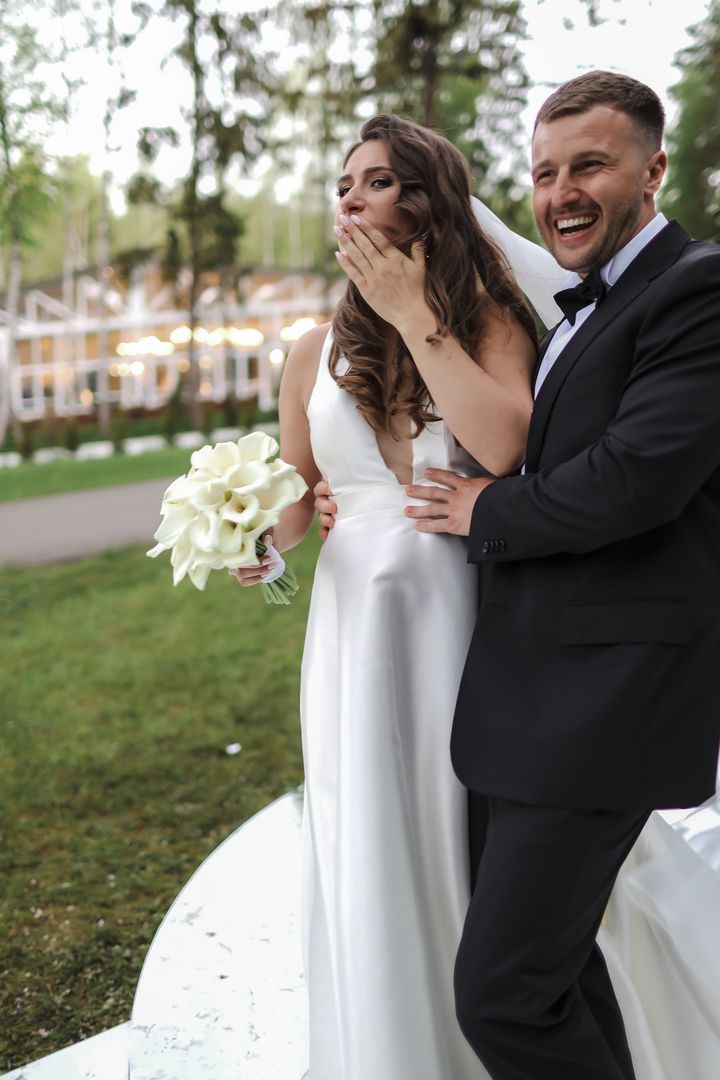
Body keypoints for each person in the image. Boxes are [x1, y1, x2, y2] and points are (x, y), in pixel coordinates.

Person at [320, 72, 719, 1080]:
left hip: (609, 696)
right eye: (545, 173)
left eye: (590, 166)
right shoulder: (585, 305)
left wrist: (483, 510)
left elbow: (632, 481)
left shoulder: (698, 288)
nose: (561, 193)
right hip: (530, 692)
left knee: (500, 995)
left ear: (653, 171)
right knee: (557, 975)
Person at [231, 113, 564, 1078]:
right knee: (366, 822)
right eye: (344, 183)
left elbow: (504, 446)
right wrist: (256, 538)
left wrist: (415, 312)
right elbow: (299, 493)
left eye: (376, 181)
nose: (351, 197)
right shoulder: (309, 351)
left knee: (458, 822)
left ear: (425, 202)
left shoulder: (488, 322)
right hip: (350, 627)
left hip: (457, 613)